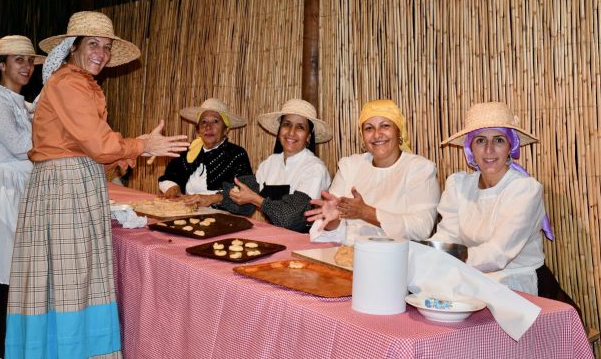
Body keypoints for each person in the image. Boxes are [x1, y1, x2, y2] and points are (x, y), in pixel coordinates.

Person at [5, 11, 189, 359]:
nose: (101, 54)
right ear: (73, 47)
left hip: (71, 182)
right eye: (93, 44)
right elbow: (98, 143)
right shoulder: (69, 83)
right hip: (65, 187)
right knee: (71, 279)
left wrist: (130, 150)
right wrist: (140, 145)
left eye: (105, 47)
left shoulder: (76, 84)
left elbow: (92, 145)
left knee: (64, 279)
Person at [429, 102, 556, 295]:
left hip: (515, 280)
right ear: (470, 147)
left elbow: (498, 254)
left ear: (510, 146)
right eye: (480, 141)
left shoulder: (524, 190)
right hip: (467, 274)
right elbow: (447, 236)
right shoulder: (459, 185)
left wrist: (447, 257)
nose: (489, 150)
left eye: (498, 140)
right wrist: (432, 254)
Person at [0, 35, 44, 359]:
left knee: (11, 270)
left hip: (16, 189)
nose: (27, 66)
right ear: (2, 65)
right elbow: (21, 145)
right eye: (19, 60)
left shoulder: (23, 105)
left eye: (30, 61)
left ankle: (2, 345)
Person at [306, 99, 440, 243]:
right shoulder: (350, 166)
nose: (377, 134)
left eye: (385, 126)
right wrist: (332, 221)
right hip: (348, 255)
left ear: (399, 131)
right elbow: (326, 227)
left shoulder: (419, 169)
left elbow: (421, 228)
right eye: (369, 128)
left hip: (398, 259)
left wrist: (366, 213)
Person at [222, 99, 332, 233]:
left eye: (300, 127)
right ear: (280, 130)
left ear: (308, 137)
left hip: (305, 243)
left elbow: (291, 218)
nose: (291, 132)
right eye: (287, 124)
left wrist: (255, 199)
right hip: (272, 236)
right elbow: (245, 207)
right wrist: (212, 198)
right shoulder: (269, 163)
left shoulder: (315, 169)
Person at [158, 98, 252, 208]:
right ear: (198, 130)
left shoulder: (236, 155)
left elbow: (246, 195)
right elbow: (169, 177)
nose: (208, 127)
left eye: (215, 121)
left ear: (226, 130)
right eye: (203, 122)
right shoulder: (188, 152)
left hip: (223, 219)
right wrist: (173, 188)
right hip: (186, 212)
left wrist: (212, 199)